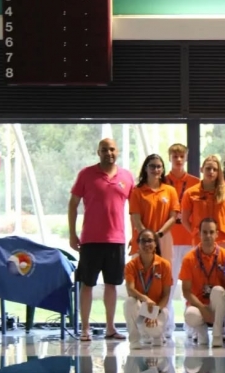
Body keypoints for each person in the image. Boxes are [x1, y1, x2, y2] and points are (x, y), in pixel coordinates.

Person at [68, 138, 134, 342]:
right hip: (90, 240)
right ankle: (85, 328)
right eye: (104, 150)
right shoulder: (86, 174)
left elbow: (135, 210)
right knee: (87, 284)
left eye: (112, 149)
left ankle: (110, 328)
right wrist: (72, 234)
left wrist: (136, 235)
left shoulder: (127, 177)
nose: (108, 153)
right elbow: (73, 204)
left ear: (117, 151)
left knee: (112, 285)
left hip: (116, 240)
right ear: (98, 152)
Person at [129, 154, 181, 338]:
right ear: (146, 168)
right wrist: (147, 238)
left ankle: (162, 326)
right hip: (142, 239)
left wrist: (158, 235)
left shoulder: (169, 190)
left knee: (163, 283)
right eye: (152, 166)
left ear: (163, 169)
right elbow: (136, 218)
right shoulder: (137, 191)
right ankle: (142, 327)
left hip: (163, 239)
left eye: (159, 166)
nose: (156, 169)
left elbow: (173, 216)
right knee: (142, 283)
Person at [180, 218, 225, 347]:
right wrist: (202, 309)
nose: (208, 235)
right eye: (205, 232)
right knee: (191, 315)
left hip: (219, 305)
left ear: (217, 234)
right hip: (198, 304)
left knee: (218, 291)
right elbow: (186, 291)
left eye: (211, 232)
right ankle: (200, 331)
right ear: (199, 234)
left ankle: (219, 331)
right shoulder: (189, 258)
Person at [123, 229, 174, 346]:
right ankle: (134, 340)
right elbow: (130, 289)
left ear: (155, 244)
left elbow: (166, 294)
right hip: (140, 308)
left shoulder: (164, 265)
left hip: (158, 308)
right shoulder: (131, 266)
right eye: (143, 241)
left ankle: (157, 335)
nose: (146, 244)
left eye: (150, 241)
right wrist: (145, 299)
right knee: (129, 302)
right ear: (138, 244)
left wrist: (155, 312)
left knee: (155, 329)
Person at [181, 155, 225, 250]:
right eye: (208, 168)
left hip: (222, 240)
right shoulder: (190, 193)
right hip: (199, 240)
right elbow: (184, 220)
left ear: (219, 172)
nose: (211, 172)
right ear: (202, 169)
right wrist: (195, 233)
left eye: (215, 169)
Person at [166, 143, 201, 295]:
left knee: (192, 282)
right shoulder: (162, 181)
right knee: (168, 282)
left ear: (186, 158)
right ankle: (165, 311)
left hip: (190, 238)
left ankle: (192, 311)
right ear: (169, 158)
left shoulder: (197, 183)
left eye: (182, 156)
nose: (178, 159)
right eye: (175, 156)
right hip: (169, 238)